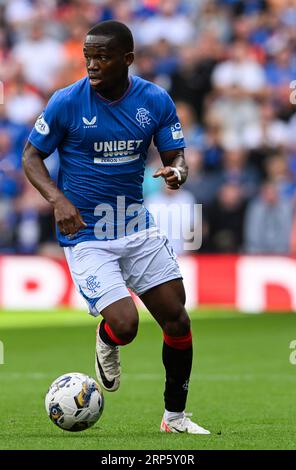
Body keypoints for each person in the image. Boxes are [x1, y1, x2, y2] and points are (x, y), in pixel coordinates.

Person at [22, 20, 210, 435]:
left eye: (102, 57)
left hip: (135, 225)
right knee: (126, 325)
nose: (92, 64)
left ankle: (174, 418)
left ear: (127, 59)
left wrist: (177, 173)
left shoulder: (154, 100)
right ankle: (108, 338)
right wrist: (58, 200)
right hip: (86, 231)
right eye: (88, 56)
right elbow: (31, 156)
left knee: (177, 320)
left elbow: (176, 157)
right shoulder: (66, 102)